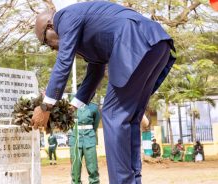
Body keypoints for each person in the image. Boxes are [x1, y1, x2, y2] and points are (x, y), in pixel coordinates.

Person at [31, 1, 176, 183]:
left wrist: (46, 107)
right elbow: (96, 71)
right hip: (156, 44)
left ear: (50, 26)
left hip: (135, 43)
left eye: (46, 42)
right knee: (130, 117)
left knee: (114, 114)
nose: (52, 48)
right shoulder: (87, 30)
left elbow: (63, 63)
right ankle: (133, 180)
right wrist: (72, 107)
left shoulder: (64, 18)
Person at [69, 101, 100, 184]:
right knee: (75, 168)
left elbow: (96, 123)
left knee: (93, 167)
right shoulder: (72, 106)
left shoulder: (93, 107)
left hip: (89, 138)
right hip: (75, 138)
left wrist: (89, 132)